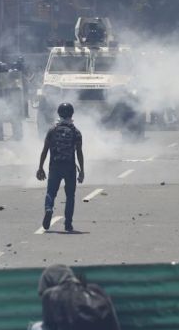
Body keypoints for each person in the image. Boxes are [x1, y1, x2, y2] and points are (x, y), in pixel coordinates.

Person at [36, 103, 84, 233]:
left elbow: (45, 150)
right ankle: (68, 224)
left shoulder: (52, 130)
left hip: (55, 166)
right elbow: (79, 152)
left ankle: (49, 209)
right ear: (72, 114)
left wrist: (40, 167)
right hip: (70, 168)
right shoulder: (76, 132)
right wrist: (82, 171)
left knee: (51, 192)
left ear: (58, 113)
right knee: (70, 196)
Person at [29, 264, 121, 330]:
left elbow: (50, 326)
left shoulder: (51, 294)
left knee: (36, 327)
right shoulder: (96, 289)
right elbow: (114, 324)